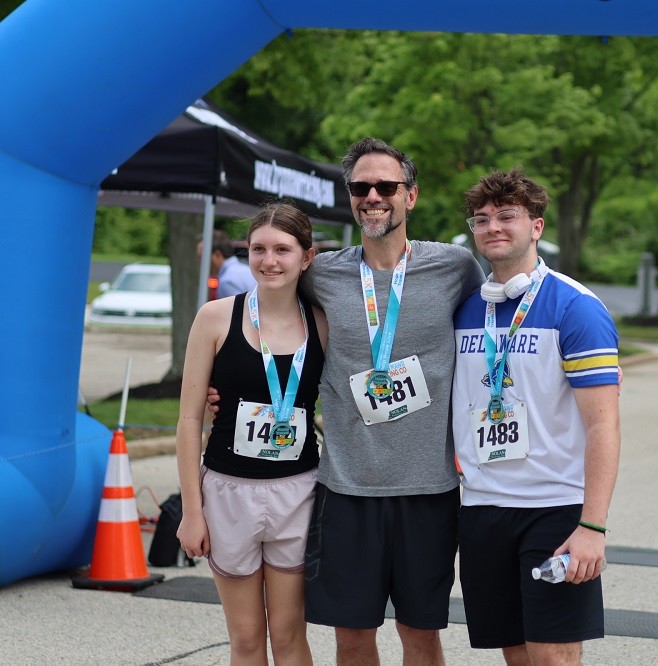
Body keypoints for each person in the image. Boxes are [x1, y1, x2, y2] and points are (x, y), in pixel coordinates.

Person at [298, 137, 485, 664]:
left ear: (411, 196)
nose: (373, 196)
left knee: (419, 635)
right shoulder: (322, 274)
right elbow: (272, 325)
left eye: (386, 186)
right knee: (352, 636)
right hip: (347, 488)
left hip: (428, 490)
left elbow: (492, 334)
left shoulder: (456, 267)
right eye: (361, 187)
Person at [452, 167, 621, 664]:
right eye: (481, 219)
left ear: (537, 227)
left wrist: (593, 526)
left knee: (553, 657)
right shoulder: (465, 308)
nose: (493, 227)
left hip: (554, 508)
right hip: (483, 507)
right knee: (517, 653)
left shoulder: (576, 307)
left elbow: (603, 425)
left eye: (507, 216)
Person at [177, 202, 327, 665]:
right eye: (258, 249)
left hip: (297, 492)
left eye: (283, 249)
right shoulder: (216, 317)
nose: (269, 260)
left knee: (288, 636)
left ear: (307, 256)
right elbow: (187, 421)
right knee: (245, 639)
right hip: (227, 491)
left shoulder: (322, 322)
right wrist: (191, 511)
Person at [200, 229, 257, 298]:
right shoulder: (245, 270)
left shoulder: (227, 282)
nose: (199, 262)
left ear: (217, 255)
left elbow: (237, 309)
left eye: (201, 257)